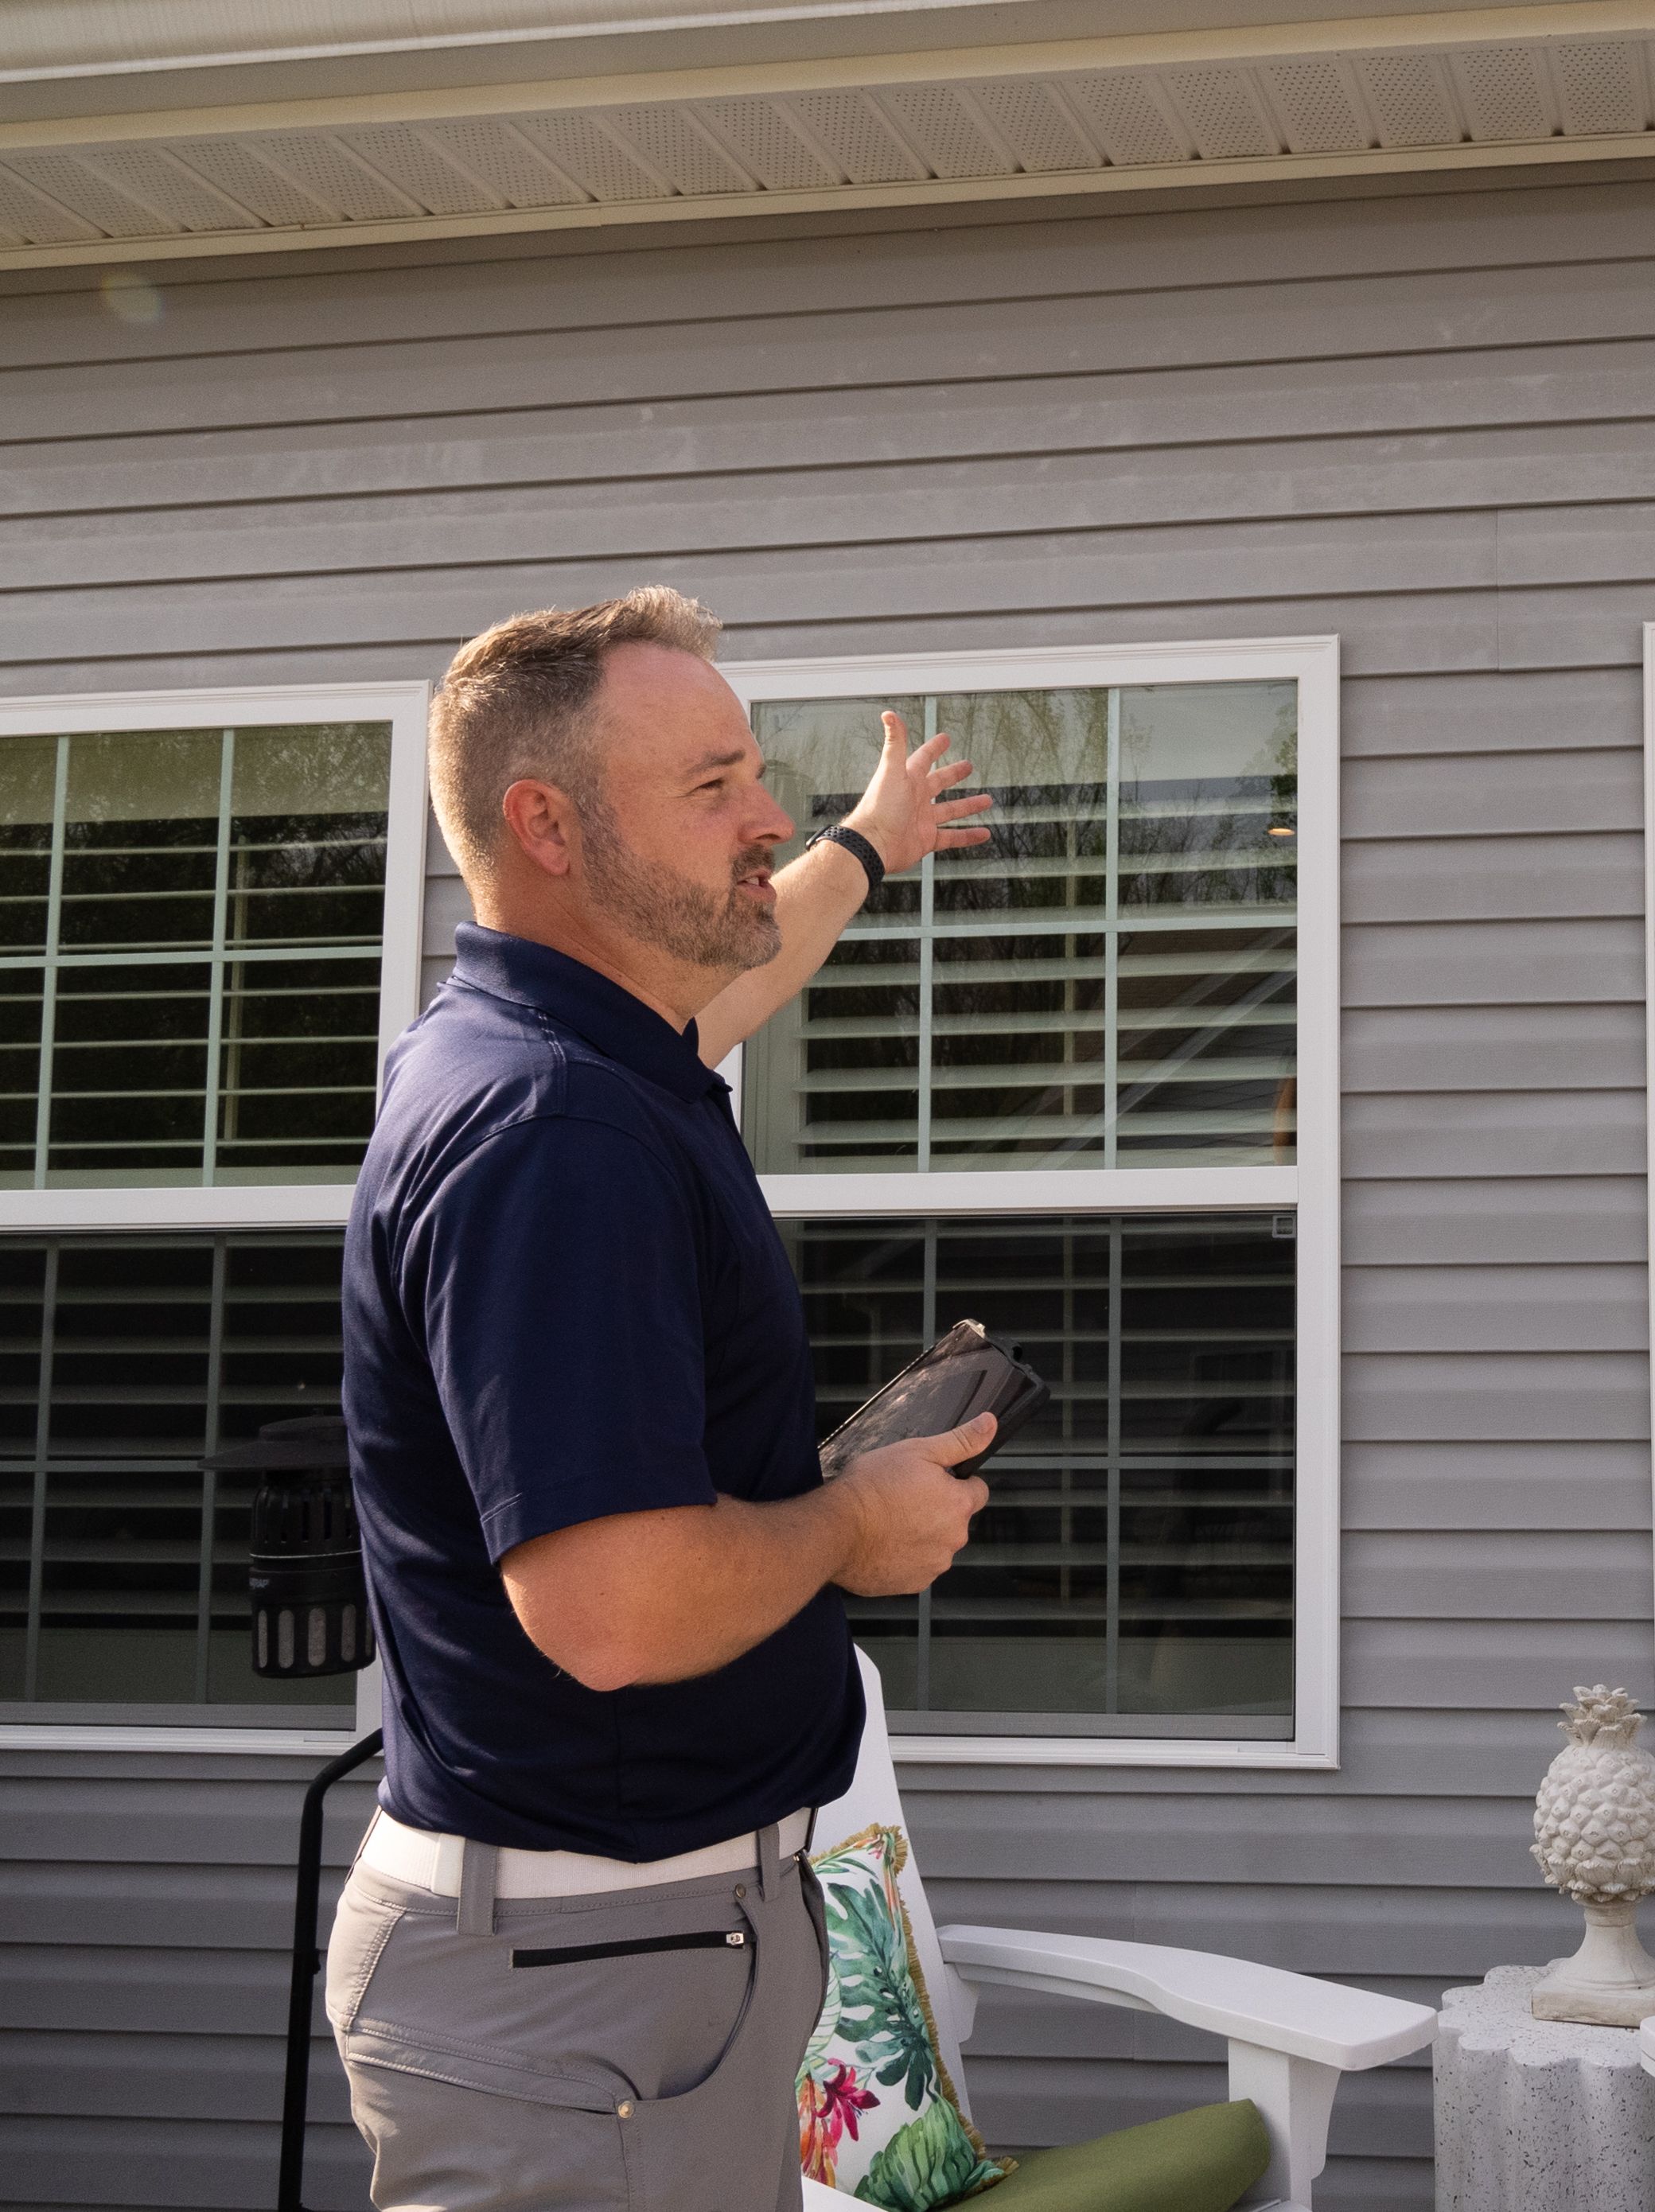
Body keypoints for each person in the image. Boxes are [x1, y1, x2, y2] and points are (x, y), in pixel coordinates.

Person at [329, 586, 995, 2212]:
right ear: (546, 824)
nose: (764, 814)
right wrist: (851, 1521)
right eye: (711, 786)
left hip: (622, 1960)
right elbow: (611, 1610)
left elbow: (750, 971)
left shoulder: (577, 1048)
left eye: (756, 773)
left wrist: (868, 843)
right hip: (585, 1987)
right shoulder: (556, 1131)